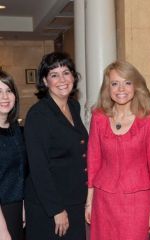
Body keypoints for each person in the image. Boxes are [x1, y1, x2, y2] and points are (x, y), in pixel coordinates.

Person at [85, 60, 150, 240]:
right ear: (108, 88)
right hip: (103, 200)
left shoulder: (148, 118)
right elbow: (93, 159)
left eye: (127, 82)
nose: (121, 89)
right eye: (115, 83)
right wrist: (89, 202)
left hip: (136, 203)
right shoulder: (99, 117)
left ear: (135, 86)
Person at [24, 52, 88, 240]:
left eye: (66, 72)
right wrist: (56, 209)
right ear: (45, 81)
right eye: (54, 75)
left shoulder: (74, 106)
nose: (62, 79)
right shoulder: (38, 115)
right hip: (51, 207)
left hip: (75, 201)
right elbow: (39, 168)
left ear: (73, 77)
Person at [0, 70, 25, 240]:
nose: (5, 96)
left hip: (15, 208)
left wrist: (23, 204)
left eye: (8, 91)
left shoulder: (15, 129)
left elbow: (20, 171)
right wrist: (2, 229)